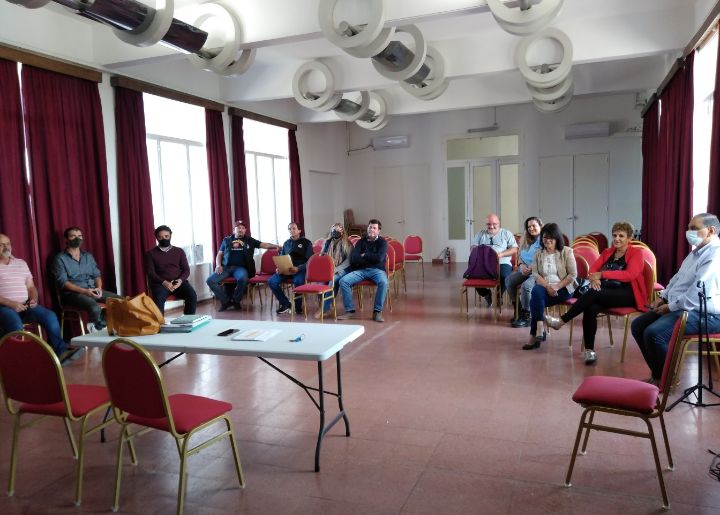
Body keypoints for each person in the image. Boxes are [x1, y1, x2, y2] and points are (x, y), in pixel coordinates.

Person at [630, 213, 720, 385]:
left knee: (654, 334)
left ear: (711, 230)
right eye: (688, 228)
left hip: (707, 313)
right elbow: (677, 279)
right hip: (683, 307)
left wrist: (670, 307)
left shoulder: (715, 255)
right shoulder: (696, 252)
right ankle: (659, 375)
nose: (689, 232)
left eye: (694, 228)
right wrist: (663, 297)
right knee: (638, 325)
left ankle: (668, 380)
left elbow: (696, 293)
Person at [546, 221, 647, 365]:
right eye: (614, 235)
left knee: (594, 294)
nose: (617, 239)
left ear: (629, 238)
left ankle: (562, 320)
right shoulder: (608, 252)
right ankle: (590, 350)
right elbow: (592, 270)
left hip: (628, 293)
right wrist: (595, 278)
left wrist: (602, 275)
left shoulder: (637, 253)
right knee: (591, 306)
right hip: (607, 291)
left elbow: (630, 275)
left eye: (621, 236)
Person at [0, 234, 83, 363]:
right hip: (4, 307)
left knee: (50, 316)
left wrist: (34, 298)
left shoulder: (21, 263)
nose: (6, 247)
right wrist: (10, 303)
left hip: (26, 305)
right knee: (15, 325)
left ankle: (60, 352)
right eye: (1, 244)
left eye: (8, 243)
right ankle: (15, 361)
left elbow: (31, 287)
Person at [51, 226, 121, 332]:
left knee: (120, 301)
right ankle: (97, 329)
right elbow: (64, 283)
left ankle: (101, 325)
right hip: (72, 294)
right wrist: (85, 291)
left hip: (92, 289)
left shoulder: (88, 256)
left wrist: (98, 288)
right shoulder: (59, 259)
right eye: (73, 236)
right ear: (66, 239)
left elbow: (97, 275)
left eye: (79, 236)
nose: (77, 238)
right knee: (94, 307)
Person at [523, 223, 577, 350]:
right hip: (544, 288)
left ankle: (534, 335)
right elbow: (535, 274)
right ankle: (540, 327)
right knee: (536, 291)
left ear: (557, 238)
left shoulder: (567, 252)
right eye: (544, 237)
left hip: (564, 288)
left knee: (534, 301)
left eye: (550, 237)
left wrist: (557, 287)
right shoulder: (538, 253)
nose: (547, 240)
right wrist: (548, 287)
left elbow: (573, 274)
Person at [206, 220, 280, 311]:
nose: (240, 230)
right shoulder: (227, 240)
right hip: (226, 268)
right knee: (210, 280)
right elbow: (219, 254)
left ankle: (236, 301)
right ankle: (226, 301)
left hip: (241, 268)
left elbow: (264, 245)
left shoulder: (250, 240)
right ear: (234, 230)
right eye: (238, 228)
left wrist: (277, 246)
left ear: (245, 230)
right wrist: (218, 265)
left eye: (242, 228)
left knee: (243, 279)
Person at [337, 219, 388, 323]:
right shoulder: (361, 241)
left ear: (378, 231)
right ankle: (349, 311)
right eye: (370, 227)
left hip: (377, 270)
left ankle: (377, 312)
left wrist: (365, 255)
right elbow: (354, 258)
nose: (371, 229)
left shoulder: (382, 242)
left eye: (374, 228)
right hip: (361, 270)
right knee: (343, 281)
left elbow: (379, 258)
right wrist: (370, 258)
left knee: (384, 282)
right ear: (367, 228)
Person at [145, 225, 197, 315]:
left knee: (192, 296)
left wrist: (180, 281)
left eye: (166, 236)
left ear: (170, 236)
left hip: (178, 282)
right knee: (158, 299)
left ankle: (188, 320)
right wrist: (164, 282)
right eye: (160, 237)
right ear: (156, 238)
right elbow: (151, 273)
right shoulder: (150, 254)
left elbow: (186, 270)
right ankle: (159, 323)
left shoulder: (179, 251)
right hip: (160, 284)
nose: (164, 239)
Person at [472, 213, 518, 306]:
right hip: (484, 263)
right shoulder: (480, 234)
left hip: (502, 262)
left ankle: (498, 295)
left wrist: (501, 254)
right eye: (488, 224)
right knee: (473, 277)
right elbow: (473, 248)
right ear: (485, 224)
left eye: (494, 224)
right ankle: (486, 294)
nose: (491, 226)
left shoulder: (506, 233)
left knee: (505, 277)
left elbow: (514, 249)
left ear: (499, 223)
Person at [269, 222, 313, 315]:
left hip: (299, 269)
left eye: (293, 228)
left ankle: (297, 308)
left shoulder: (307, 243)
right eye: (289, 229)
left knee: (298, 282)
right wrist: (279, 267)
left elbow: (310, 261)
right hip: (286, 269)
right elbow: (282, 257)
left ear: (299, 230)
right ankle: (286, 305)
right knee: (272, 281)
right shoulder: (286, 243)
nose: (291, 230)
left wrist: (298, 268)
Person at [506, 217, 542, 328]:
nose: (531, 228)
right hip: (525, 269)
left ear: (540, 226)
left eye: (534, 225)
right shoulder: (526, 239)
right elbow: (520, 256)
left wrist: (530, 268)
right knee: (509, 281)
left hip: (539, 271)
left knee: (526, 286)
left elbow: (544, 258)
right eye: (529, 226)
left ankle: (527, 316)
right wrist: (521, 266)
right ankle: (518, 310)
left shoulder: (544, 239)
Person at [314, 222, 353, 319]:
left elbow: (348, 261)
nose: (335, 232)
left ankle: (324, 309)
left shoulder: (347, 243)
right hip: (329, 269)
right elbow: (322, 256)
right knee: (320, 282)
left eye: (337, 230)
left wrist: (335, 269)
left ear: (342, 231)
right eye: (333, 230)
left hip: (343, 269)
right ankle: (327, 306)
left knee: (333, 280)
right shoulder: (328, 242)